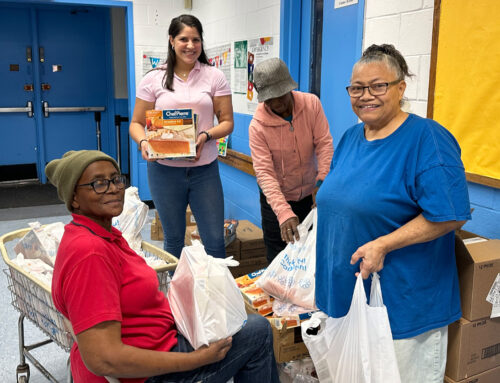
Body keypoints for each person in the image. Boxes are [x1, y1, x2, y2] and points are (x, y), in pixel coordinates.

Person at [45, 150, 279, 383]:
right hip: (145, 374)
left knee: (239, 322)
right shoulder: (90, 253)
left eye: (116, 179)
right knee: (257, 331)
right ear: (74, 198)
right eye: (98, 184)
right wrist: (198, 359)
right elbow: (103, 359)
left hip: (159, 344)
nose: (114, 188)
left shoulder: (103, 235)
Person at [315, 44, 471, 382]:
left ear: (401, 87)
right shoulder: (350, 137)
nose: (365, 95)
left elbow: (451, 214)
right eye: (357, 88)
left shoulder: (427, 139)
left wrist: (384, 244)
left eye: (378, 86)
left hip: (401, 313)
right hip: (345, 303)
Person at [129, 14, 234, 259]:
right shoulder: (153, 78)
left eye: (196, 39)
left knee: (215, 242)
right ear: (171, 40)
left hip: (204, 170)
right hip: (164, 171)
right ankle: (175, 295)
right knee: (174, 240)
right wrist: (144, 142)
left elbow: (227, 122)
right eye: (184, 39)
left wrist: (206, 136)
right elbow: (135, 123)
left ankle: (215, 295)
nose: (190, 45)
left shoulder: (214, 76)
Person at [249, 57, 333, 263]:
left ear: (289, 88)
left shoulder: (312, 104)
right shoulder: (257, 127)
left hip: (309, 196)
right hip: (276, 199)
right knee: (279, 256)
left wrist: (323, 180)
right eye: (270, 99)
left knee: (310, 254)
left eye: (280, 96)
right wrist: (284, 212)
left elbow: (324, 143)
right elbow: (265, 174)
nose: (277, 104)